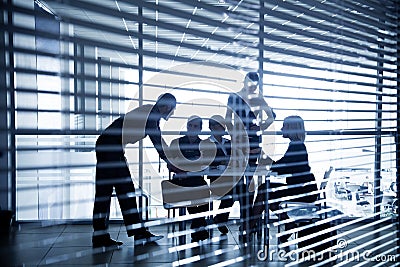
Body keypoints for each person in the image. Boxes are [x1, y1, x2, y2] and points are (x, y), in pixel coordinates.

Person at [92, 93, 176, 248]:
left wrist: (170, 158)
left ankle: (109, 235)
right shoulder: (151, 114)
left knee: (115, 192)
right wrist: (170, 162)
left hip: (111, 147)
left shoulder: (151, 114)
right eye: (171, 109)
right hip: (110, 147)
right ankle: (134, 233)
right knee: (121, 191)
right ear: (166, 106)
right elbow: (157, 140)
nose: (171, 112)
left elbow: (159, 139)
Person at [251, 115, 319, 243]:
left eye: (284, 126)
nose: (281, 129)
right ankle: (286, 223)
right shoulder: (297, 145)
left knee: (265, 191)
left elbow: (282, 167)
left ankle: (250, 226)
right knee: (266, 192)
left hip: (303, 190)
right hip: (303, 188)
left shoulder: (296, 147)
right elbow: (283, 165)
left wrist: (262, 154)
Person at [225, 71, 275, 241]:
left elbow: (272, 116)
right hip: (240, 146)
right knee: (241, 184)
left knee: (251, 184)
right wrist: (236, 136)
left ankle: (247, 223)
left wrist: (259, 129)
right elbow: (227, 120)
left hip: (253, 145)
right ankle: (246, 222)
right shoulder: (234, 97)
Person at [168, 115, 209, 242]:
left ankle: (197, 225)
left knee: (205, 191)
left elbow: (205, 165)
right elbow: (170, 164)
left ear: (200, 129)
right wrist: (182, 170)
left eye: (195, 126)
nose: (192, 128)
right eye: (190, 126)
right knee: (193, 192)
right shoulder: (176, 143)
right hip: (180, 180)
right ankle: (199, 226)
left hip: (195, 179)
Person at [200, 115, 233, 234]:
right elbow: (206, 160)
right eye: (220, 126)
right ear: (212, 127)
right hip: (215, 179)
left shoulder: (229, 142)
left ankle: (220, 218)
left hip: (230, 177)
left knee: (239, 190)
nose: (223, 128)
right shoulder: (206, 143)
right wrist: (222, 161)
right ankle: (220, 219)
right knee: (231, 191)